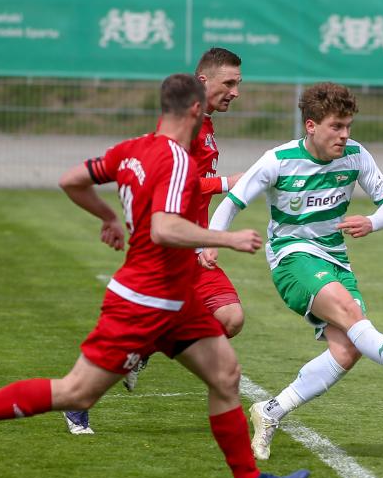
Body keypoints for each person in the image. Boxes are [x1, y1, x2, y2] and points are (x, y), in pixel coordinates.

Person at [0, 74, 309, 478]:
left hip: (177, 297)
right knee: (77, 392)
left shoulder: (130, 149)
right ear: (193, 110)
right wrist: (224, 239)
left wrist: (109, 217)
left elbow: (71, 179)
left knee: (225, 375)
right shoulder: (177, 159)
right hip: (144, 301)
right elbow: (163, 228)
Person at [206, 81, 383, 461]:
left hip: (335, 259)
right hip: (292, 258)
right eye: (337, 126)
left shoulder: (355, 155)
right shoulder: (278, 160)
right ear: (312, 126)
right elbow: (232, 202)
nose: (345, 135)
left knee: (348, 349)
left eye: (348, 125)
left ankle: (270, 411)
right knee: (352, 316)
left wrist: (371, 221)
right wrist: (211, 241)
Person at [64, 47, 248, 434]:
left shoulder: (206, 126)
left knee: (231, 318)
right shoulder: (185, 130)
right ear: (203, 82)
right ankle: (78, 402)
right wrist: (226, 184)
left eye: (238, 84)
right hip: (171, 249)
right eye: (229, 83)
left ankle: (147, 349)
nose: (235, 91)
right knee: (141, 340)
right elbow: (177, 181)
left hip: (195, 246)